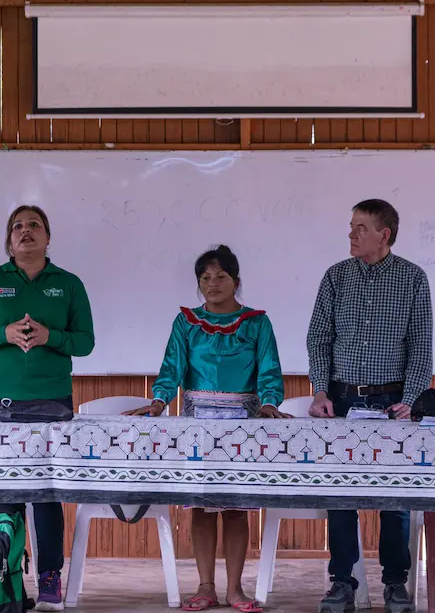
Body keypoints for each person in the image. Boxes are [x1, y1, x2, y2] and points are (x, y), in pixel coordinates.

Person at [127, 245, 289, 613]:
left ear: (236, 280)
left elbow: (269, 369)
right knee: (200, 506)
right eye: (205, 278)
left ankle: (235, 589)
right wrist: (159, 400)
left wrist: (268, 403)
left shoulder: (256, 323)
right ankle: (205, 587)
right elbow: (172, 367)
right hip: (197, 423)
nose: (212, 283)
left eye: (220, 276)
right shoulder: (186, 322)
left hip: (243, 423)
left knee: (236, 507)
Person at [0, 204, 94, 611]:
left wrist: (51, 336)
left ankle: (50, 576)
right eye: (17, 226)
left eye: (35, 225)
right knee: (3, 491)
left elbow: (85, 342)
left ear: (48, 237)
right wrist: (3, 332)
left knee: (47, 492)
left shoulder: (68, 284)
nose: (26, 231)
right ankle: (7, 572)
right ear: (9, 239)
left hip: (52, 403)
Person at [306, 199, 433, 613]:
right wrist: (320, 390)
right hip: (342, 400)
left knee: (395, 498)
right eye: (351, 226)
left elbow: (421, 346)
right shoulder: (336, 277)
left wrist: (410, 400)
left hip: (393, 401)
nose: (352, 234)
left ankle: (395, 584)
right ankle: (342, 584)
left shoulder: (412, 279)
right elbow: (318, 338)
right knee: (341, 497)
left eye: (361, 227)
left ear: (385, 235)